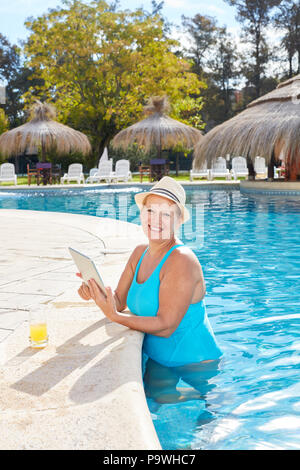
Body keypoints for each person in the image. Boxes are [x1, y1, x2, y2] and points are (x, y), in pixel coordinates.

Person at [76, 176, 223, 372]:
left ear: (179, 221)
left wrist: (115, 317)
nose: (155, 220)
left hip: (196, 367)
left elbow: (165, 326)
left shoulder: (182, 259)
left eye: (166, 214)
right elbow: (119, 300)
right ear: (142, 213)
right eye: (151, 210)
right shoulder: (139, 253)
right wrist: (94, 291)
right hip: (160, 361)